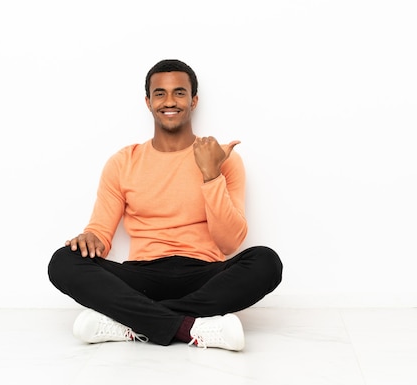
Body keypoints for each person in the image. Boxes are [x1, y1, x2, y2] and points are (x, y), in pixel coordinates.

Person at [48, 59, 283, 351]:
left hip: (203, 275)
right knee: (63, 260)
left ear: (194, 100)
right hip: (141, 276)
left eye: (179, 93)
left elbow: (229, 243)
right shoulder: (124, 161)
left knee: (266, 262)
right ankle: (189, 326)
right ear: (148, 102)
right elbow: (100, 234)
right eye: (160, 93)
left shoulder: (222, 158)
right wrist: (89, 239)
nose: (169, 101)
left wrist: (211, 175)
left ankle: (131, 322)